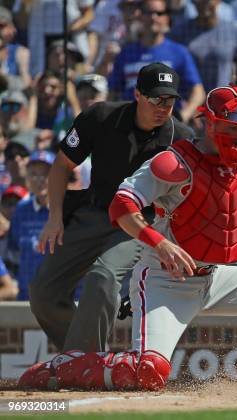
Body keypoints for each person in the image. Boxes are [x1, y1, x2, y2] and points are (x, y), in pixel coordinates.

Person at [19, 58, 237, 391]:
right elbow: (121, 205)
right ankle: (65, 366)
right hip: (165, 280)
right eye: (234, 130)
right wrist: (160, 243)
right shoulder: (175, 161)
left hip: (215, 275)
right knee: (148, 372)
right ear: (213, 124)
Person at [24, 62, 193, 367]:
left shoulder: (181, 139)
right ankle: (85, 357)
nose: (163, 107)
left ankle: (83, 366)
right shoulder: (100, 117)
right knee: (43, 292)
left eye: (169, 101)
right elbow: (61, 166)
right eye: (156, 99)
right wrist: (54, 218)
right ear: (138, 95)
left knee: (102, 277)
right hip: (95, 212)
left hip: (141, 223)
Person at [108, 0, 205, 121]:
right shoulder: (126, 53)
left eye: (159, 13)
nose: (153, 17)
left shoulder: (179, 52)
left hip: (166, 128)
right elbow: (112, 93)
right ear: (140, 15)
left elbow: (198, 91)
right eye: (148, 12)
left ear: (167, 17)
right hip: (130, 126)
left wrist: (182, 118)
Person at [7, 151, 55, 301]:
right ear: (26, 177)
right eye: (34, 174)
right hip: (26, 297)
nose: (40, 180)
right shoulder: (21, 209)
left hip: (57, 298)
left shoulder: (66, 209)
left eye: (45, 174)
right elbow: (13, 253)